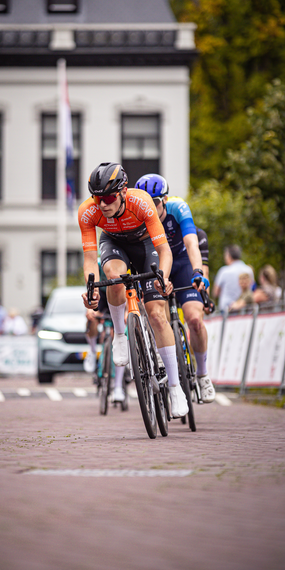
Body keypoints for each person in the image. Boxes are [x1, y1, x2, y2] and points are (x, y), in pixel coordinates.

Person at [78, 162, 188, 418]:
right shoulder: (87, 211)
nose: (102, 204)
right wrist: (91, 288)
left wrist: (163, 277)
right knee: (113, 277)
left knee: (157, 313)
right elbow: (89, 259)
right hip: (114, 243)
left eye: (108, 198)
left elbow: (164, 251)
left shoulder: (142, 202)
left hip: (145, 244)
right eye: (97, 198)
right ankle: (119, 335)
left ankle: (175, 388)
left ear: (123, 192)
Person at [135, 174, 215, 404]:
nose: (150, 208)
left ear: (165, 200)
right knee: (154, 313)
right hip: (157, 264)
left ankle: (202, 374)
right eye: (146, 203)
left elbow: (191, 243)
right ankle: (163, 357)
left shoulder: (178, 207)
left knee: (194, 319)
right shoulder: (139, 216)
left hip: (182, 262)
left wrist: (198, 271)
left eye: (155, 203)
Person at [84, 258, 127, 403]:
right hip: (102, 297)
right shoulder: (97, 264)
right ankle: (92, 350)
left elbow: (128, 292)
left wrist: (127, 312)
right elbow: (90, 290)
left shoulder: (123, 264)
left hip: (119, 295)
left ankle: (118, 386)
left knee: (119, 332)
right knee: (91, 321)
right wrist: (90, 310)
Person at [212, 245, 254, 313]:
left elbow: (215, 292)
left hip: (226, 309)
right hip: (245, 309)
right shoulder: (249, 270)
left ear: (229, 256)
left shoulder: (224, 271)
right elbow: (252, 287)